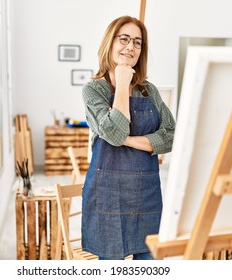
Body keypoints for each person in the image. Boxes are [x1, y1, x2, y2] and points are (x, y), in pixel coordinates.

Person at [81, 15, 176, 260]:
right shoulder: (94, 90)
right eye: (124, 39)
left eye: (137, 42)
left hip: (146, 195)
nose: (130, 47)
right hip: (107, 194)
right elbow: (114, 132)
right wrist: (122, 82)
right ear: (109, 43)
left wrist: (129, 141)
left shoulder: (149, 90)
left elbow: (170, 136)